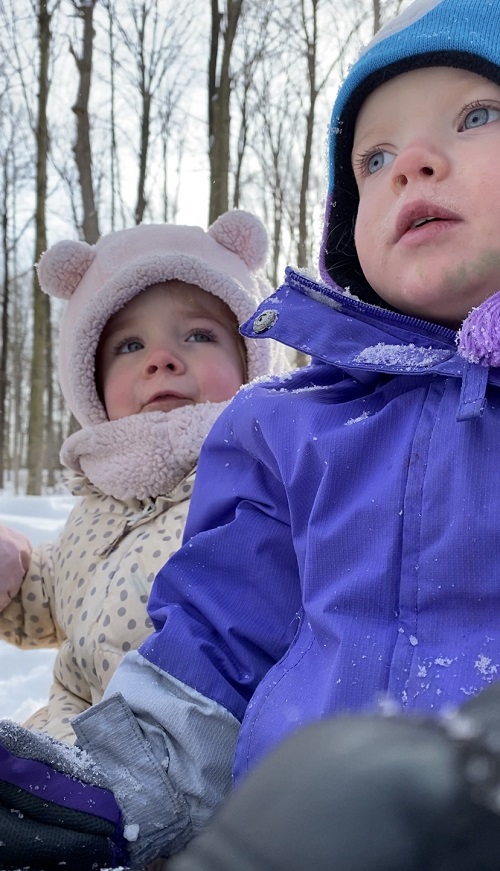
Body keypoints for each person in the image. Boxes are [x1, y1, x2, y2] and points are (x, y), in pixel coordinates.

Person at [3, 0, 500, 869]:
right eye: (373, 158)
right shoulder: (289, 430)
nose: (411, 166)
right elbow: (214, 647)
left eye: (477, 116)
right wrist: (112, 795)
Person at [0, 210, 286, 748]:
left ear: (250, 359)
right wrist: (16, 577)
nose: (161, 359)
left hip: (185, 767)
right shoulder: (102, 502)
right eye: (129, 346)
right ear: (90, 382)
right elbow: (59, 595)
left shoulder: (265, 478)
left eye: (199, 334)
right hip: (60, 749)